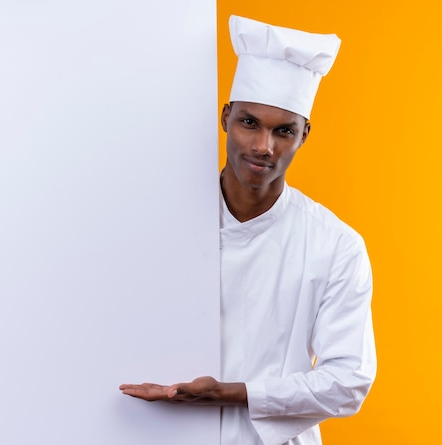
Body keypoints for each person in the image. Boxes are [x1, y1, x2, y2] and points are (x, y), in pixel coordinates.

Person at [119, 15, 376, 445]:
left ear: (304, 135)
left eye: (284, 131)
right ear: (225, 118)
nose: (263, 147)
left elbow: (349, 380)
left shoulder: (335, 246)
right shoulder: (157, 223)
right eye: (250, 123)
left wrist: (234, 394)